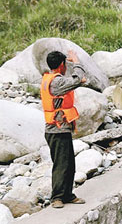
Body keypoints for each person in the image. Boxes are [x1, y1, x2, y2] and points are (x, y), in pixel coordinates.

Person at [40, 50, 86, 208]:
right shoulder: (56, 82)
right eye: (66, 63)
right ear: (61, 65)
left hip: (60, 129)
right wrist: (77, 61)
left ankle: (67, 194)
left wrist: (78, 79)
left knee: (69, 164)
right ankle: (57, 197)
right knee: (61, 164)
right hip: (56, 130)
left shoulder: (52, 79)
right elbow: (78, 79)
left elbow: (77, 81)